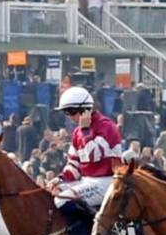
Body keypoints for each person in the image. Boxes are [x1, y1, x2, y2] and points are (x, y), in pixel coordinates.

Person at [52, 86, 123, 221]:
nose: (70, 117)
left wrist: (85, 131)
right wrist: (59, 179)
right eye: (66, 113)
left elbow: (93, 155)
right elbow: (73, 164)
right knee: (53, 193)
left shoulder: (107, 126)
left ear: (85, 110)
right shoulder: (77, 132)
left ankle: (97, 225)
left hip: (107, 182)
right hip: (86, 181)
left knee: (62, 200)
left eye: (71, 112)